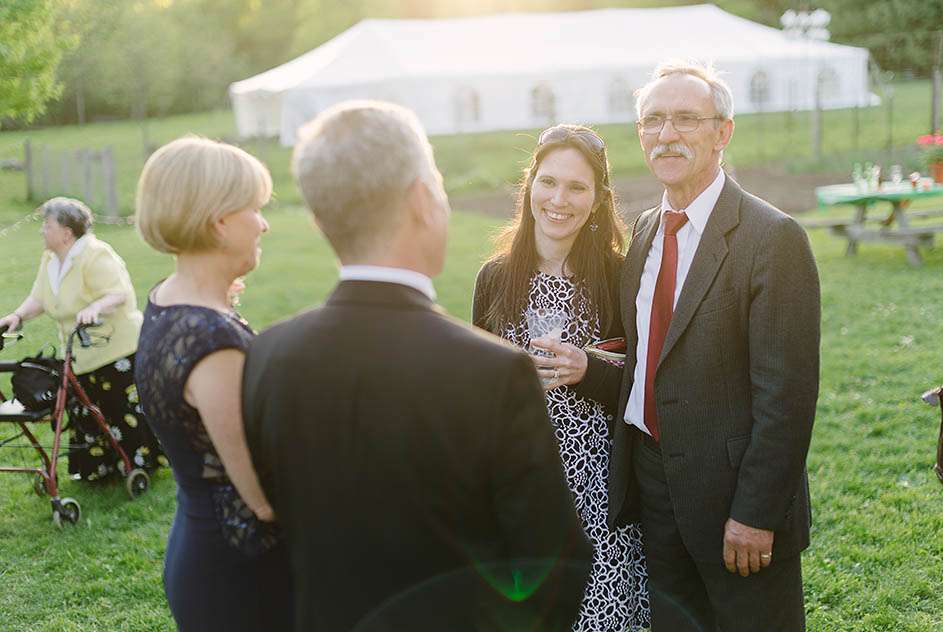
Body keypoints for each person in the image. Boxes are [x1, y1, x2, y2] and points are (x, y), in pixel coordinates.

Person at [241, 100, 592, 631]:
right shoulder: (494, 374)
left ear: (320, 217)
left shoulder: (267, 356)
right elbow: (557, 570)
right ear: (424, 201)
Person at [534, 61, 821, 631]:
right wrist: (587, 368)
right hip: (653, 492)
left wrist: (755, 514)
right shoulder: (643, 232)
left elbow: (786, 397)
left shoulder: (772, 239)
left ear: (723, 132)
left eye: (687, 119)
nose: (667, 134)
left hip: (734, 500)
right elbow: (649, 368)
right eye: (653, 121)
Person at [472, 124, 650, 631]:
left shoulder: (619, 276)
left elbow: (648, 385)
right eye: (548, 182)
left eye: (577, 187)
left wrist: (587, 369)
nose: (559, 200)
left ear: (597, 200)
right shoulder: (495, 278)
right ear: (530, 186)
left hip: (600, 493)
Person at [133, 136, 292, 631]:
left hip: (202, 541)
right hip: (237, 576)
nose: (263, 223)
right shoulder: (212, 342)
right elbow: (262, 498)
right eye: (254, 209)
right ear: (220, 223)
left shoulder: (168, 298)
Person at [0, 197, 164, 481]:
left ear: (66, 231)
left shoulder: (95, 254)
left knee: (119, 408)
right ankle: (98, 469)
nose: (42, 231)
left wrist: (94, 308)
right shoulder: (51, 259)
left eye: (47, 225)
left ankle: (137, 464)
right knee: (87, 412)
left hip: (114, 347)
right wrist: (17, 316)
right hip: (79, 352)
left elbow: (118, 293)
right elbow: (39, 297)